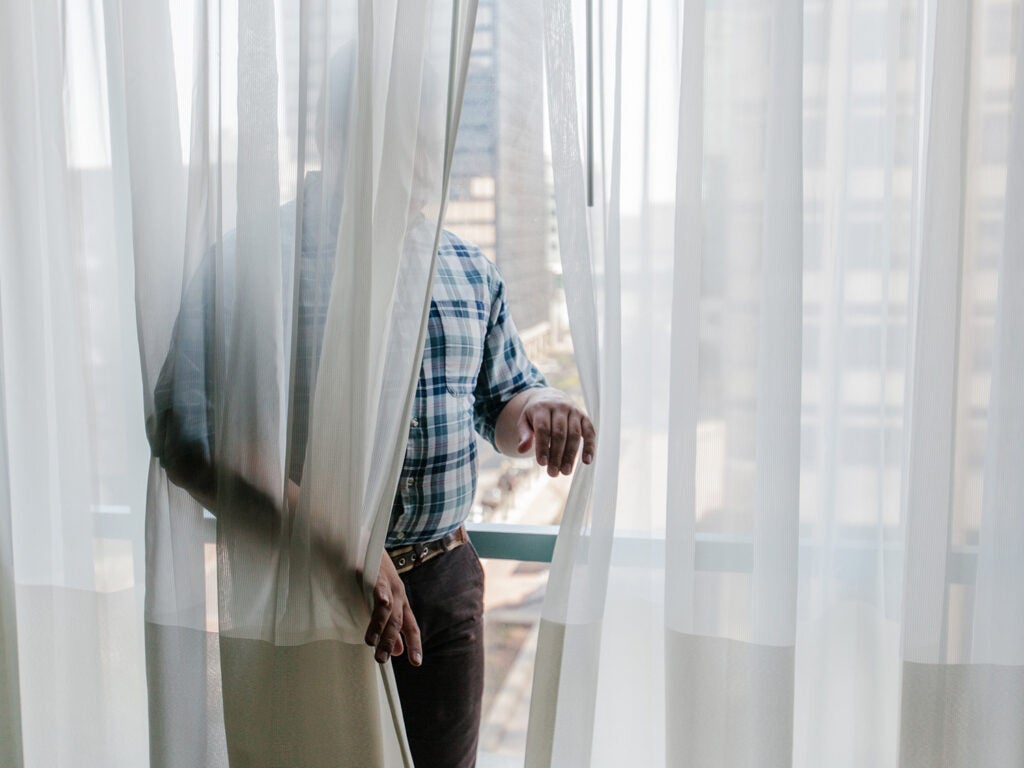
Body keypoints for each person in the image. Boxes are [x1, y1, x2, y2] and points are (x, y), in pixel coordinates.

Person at [151, 46, 595, 768]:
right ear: (337, 131)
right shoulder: (253, 259)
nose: (425, 153)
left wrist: (542, 404)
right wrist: (340, 546)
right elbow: (182, 427)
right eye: (406, 129)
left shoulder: (466, 267)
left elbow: (504, 404)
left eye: (432, 132)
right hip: (305, 581)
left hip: (444, 587)